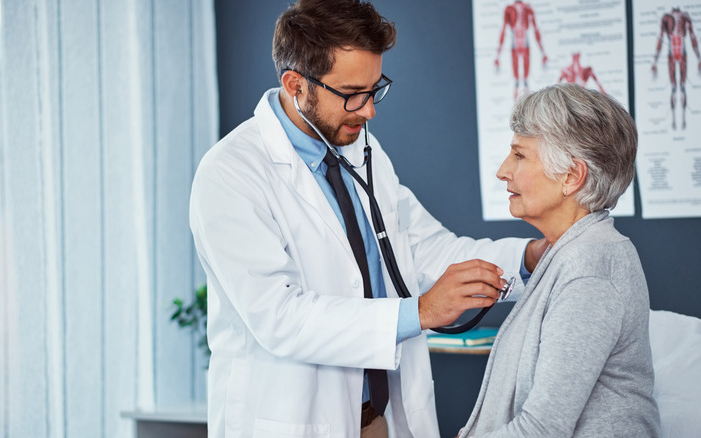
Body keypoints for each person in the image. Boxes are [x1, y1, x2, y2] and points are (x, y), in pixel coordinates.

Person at [189, 1, 545, 436]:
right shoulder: (231, 173)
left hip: (378, 419)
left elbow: (425, 250)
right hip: (295, 421)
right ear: (295, 84)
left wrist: (530, 257)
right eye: (352, 93)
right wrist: (420, 311)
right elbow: (279, 317)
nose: (369, 110)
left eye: (375, 89)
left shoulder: (362, 152)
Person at [459, 83, 660, 437]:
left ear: (571, 176)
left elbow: (542, 429)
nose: (503, 170)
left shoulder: (590, 269)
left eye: (519, 155)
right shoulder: (569, 252)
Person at [651, 7, 701, 130]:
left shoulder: (684, 17)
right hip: (672, 53)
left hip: (682, 52)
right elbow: (660, 39)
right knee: (674, 88)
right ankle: (674, 120)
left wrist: (699, 58)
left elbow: (692, 37)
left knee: (682, 87)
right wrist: (655, 61)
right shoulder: (667, 18)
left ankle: (684, 119)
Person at [494, 0, 548, 99]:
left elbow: (535, 29)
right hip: (515, 41)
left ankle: (528, 100)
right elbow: (503, 30)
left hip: (524, 41)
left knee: (525, 79)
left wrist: (543, 52)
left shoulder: (528, 8)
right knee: (517, 80)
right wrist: (497, 56)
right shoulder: (509, 9)